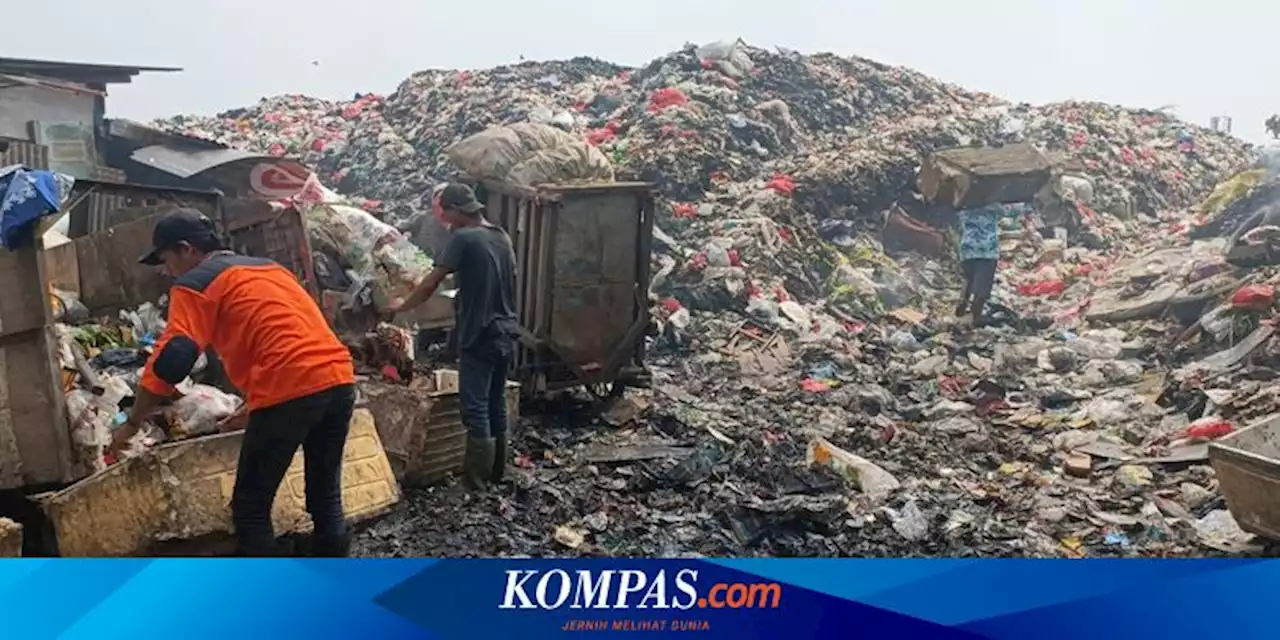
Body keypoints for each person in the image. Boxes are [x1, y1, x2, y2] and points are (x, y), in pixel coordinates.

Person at [106, 208, 357, 557]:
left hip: (290, 387)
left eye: (166, 260)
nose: (166, 271)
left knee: (251, 508)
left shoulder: (195, 283)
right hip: (339, 379)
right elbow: (283, 336)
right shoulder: (270, 269)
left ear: (186, 249)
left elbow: (175, 358)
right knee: (325, 491)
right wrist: (253, 408)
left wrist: (132, 423)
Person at [388, 183, 517, 491]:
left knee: (474, 407)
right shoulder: (500, 236)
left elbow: (431, 283)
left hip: (481, 333)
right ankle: (499, 472)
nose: (443, 219)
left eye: (444, 212)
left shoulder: (463, 238)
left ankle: (476, 482)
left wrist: (401, 306)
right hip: (507, 330)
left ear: (458, 210)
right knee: (496, 401)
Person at [954, 202, 1032, 326]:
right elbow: (1009, 211)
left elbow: (956, 222)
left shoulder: (964, 205)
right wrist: (1028, 206)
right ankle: (975, 316)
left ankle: (963, 302)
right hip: (987, 250)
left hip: (968, 249)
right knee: (983, 286)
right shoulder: (991, 205)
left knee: (968, 278)